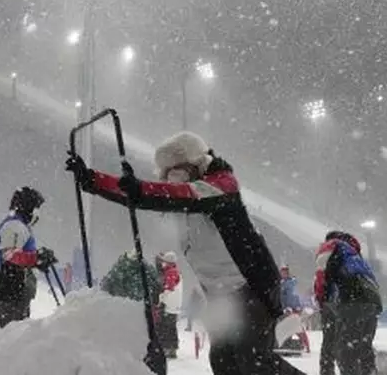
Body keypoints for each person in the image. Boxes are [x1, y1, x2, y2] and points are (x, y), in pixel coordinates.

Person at [69, 131, 305, 375]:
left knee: (253, 360)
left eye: (177, 170)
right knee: (224, 362)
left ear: (196, 164)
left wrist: (140, 189)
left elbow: (180, 195)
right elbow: (150, 197)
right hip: (220, 296)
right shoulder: (180, 202)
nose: (172, 179)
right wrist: (92, 180)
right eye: (167, 173)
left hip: (251, 287)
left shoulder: (221, 186)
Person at [314, 230, 382, 375]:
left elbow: (321, 275)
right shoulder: (357, 257)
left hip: (352, 298)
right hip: (373, 301)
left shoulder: (332, 245)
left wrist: (321, 299)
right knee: (364, 349)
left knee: (345, 352)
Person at [0, 186, 55, 329]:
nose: (38, 213)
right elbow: (9, 255)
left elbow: (18, 253)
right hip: (10, 290)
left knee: (17, 335)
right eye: (36, 208)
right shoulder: (14, 225)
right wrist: (36, 258)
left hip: (15, 290)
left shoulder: (20, 225)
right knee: (13, 336)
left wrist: (38, 258)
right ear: (28, 206)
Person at [156, 251, 183, 358]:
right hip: (174, 305)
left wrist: (160, 299)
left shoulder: (171, 272)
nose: (163, 263)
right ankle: (172, 349)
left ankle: (168, 349)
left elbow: (169, 288)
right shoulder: (176, 271)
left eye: (164, 262)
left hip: (169, 305)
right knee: (171, 327)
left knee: (166, 327)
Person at [279, 266, 311, 354]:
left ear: (288, 273)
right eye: (282, 272)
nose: (284, 274)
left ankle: (305, 345)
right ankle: (292, 344)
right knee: (289, 327)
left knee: (296, 327)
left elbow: (295, 296)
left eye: (285, 272)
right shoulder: (282, 283)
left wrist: (297, 307)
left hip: (293, 309)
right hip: (286, 309)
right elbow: (282, 297)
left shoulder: (292, 282)